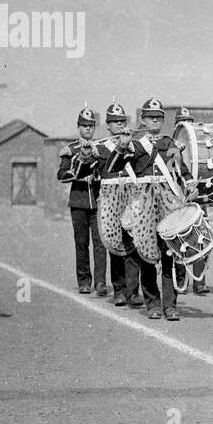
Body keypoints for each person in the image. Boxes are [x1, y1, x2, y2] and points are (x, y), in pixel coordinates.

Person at [119, 97, 182, 321]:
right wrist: (123, 145)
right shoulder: (135, 144)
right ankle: (153, 303)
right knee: (146, 254)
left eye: (158, 117)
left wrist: (180, 161)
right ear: (143, 120)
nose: (155, 120)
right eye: (150, 117)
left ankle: (170, 305)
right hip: (143, 204)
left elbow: (181, 171)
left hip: (166, 203)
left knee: (169, 254)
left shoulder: (169, 143)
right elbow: (115, 166)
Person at [83, 103, 142, 308]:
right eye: (115, 122)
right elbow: (89, 166)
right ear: (107, 125)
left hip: (130, 197)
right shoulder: (99, 148)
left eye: (122, 121)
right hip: (109, 199)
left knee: (134, 245)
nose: (119, 125)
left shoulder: (134, 145)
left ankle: (133, 292)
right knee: (115, 246)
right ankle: (119, 291)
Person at [58, 105, 108, 296]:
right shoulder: (70, 150)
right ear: (78, 127)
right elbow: (61, 175)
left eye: (91, 126)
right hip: (78, 202)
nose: (87, 129)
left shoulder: (101, 147)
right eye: (84, 125)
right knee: (81, 243)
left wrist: (98, 157)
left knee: (100, 243)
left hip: (97, 203)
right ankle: (84, 281)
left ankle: (101, 282)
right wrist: (79, 164)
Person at [171, 106, 212, 295]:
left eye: (189, 122)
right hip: (177, 199)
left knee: (200, 240)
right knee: (180, 242)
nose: (186, 126)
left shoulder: (200, 146)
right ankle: (180, 281)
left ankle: (199, 282)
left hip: (197, 200)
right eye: (182, 122)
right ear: (176, 125)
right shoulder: (170, 147)